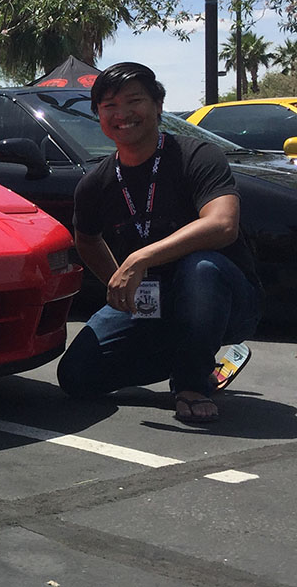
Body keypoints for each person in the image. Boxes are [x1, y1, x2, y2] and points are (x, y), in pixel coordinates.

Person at [56, 62, 262, 423]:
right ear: (98, 115)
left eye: (134, 101)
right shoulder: (96, 183)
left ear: (158, 105)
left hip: (225, 300)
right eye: (109, 106)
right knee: (77, 376)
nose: (122, 114)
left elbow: (223, 225)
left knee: (200, 268)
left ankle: (192, 383)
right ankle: (196, 359)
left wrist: (138, 259)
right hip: (152, 302)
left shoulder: (197, 156)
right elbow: (86, 239)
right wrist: (118, 284)